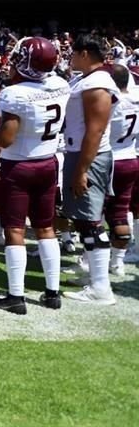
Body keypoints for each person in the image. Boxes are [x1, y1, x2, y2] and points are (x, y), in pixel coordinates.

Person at [0, 37, 70, 314]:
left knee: (15, 230)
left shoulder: (15, 94)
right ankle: (52, 292)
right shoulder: (59, 84)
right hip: (47, 163)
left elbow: (7, 139)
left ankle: (16, 295)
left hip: (19, 167)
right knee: (46, 228)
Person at [62, 34, 117, 304]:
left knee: (91, 221)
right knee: (84, 219)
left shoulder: (97, 83)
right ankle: (94, 276)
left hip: (89, 156)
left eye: (74, 53)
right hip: (80, 152)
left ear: (85, 53)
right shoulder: (88, 79)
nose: (70, 57)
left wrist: (82, 169)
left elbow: (95, 130)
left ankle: (100, 287)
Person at [104, 64, 138, 277]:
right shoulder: (136, 99)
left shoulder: (112, 103)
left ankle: (89, 263)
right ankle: (117, 263)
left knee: (94, 216)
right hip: (130, 157)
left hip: (109, 158)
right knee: (120, 213)